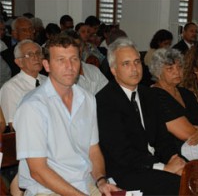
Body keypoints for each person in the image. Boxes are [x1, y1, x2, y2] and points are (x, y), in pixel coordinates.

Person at [14, 34, 118, 196]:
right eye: (61, 60)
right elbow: (38, 171)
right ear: (47, 65)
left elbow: (93, 150)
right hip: (48, 190)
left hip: (86, 184)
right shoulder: (33, 106)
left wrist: (101, 181)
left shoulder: (87, 99)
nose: (69, 66)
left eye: (74, 59)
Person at [96, 37, 185, 195]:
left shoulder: (149, 94)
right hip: (125, 170)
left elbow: (162, 137)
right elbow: (121, 153)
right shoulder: (105, 101)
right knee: (177, 185)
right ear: (113, 70)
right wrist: (165, 168)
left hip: (155, 163)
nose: (134, 69)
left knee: (197, 172)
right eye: (126, 64)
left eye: (137, 62)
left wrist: (173, 159)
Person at [0, 39, 47, 132]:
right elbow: (13, 125)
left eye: (38, 53)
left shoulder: (49, 81)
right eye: (29, 54)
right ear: (19, 62)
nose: (36, 57)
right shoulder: (11, 87)